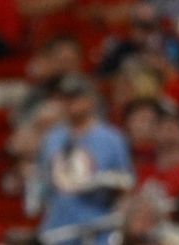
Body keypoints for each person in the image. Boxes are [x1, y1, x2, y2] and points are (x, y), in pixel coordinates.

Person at [27, 73, 134, 245]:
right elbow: (42, 180)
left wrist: (104, 182)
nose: (70, 104)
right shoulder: (52, 138)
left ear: (90, 99)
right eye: (65, 99)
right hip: (58, 228)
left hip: (97, 227)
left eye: (75, 97)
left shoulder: (111, 138)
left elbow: (126, 184)